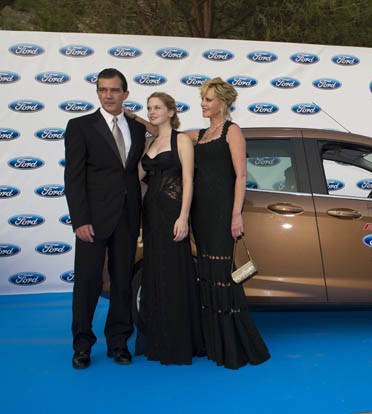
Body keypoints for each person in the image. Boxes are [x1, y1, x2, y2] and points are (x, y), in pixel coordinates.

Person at [185, 77, 270, 369]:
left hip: (222, 212)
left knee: (224, 274)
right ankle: (212, 342)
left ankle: (231, 346)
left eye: (208, 99)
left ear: (223, 102)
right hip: (199, 213)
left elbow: (241, 176)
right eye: (203, 99)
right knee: (205, 273)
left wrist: (236, 214)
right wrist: (134, 117)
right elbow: (166, 135)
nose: (203, 104)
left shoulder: (232, 131)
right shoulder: (198, 134)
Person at [64, 68, 146, 369]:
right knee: (87, 283)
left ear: (126, 93)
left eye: (114, 90)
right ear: (97, 92)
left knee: (123, 282)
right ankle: (82, 345)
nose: (108, 95)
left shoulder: (137, 130)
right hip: (92, 222)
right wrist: (80, 220)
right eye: (102, 89)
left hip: (126, 219)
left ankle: (119, 341)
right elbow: (73, 178)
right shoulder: (80, 126)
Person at [134, 92, 203, 364]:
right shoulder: (149, 143)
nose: (152, 111)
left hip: (174, 214)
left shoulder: (182, 140)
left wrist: (184, 216)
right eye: (149, 107)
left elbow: (188, 180)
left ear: (171, 112)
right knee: (155, 274)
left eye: (158, 107)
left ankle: (178, 342)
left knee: (174, 274)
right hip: (151, 216)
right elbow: (136, 177)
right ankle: (159, 339)